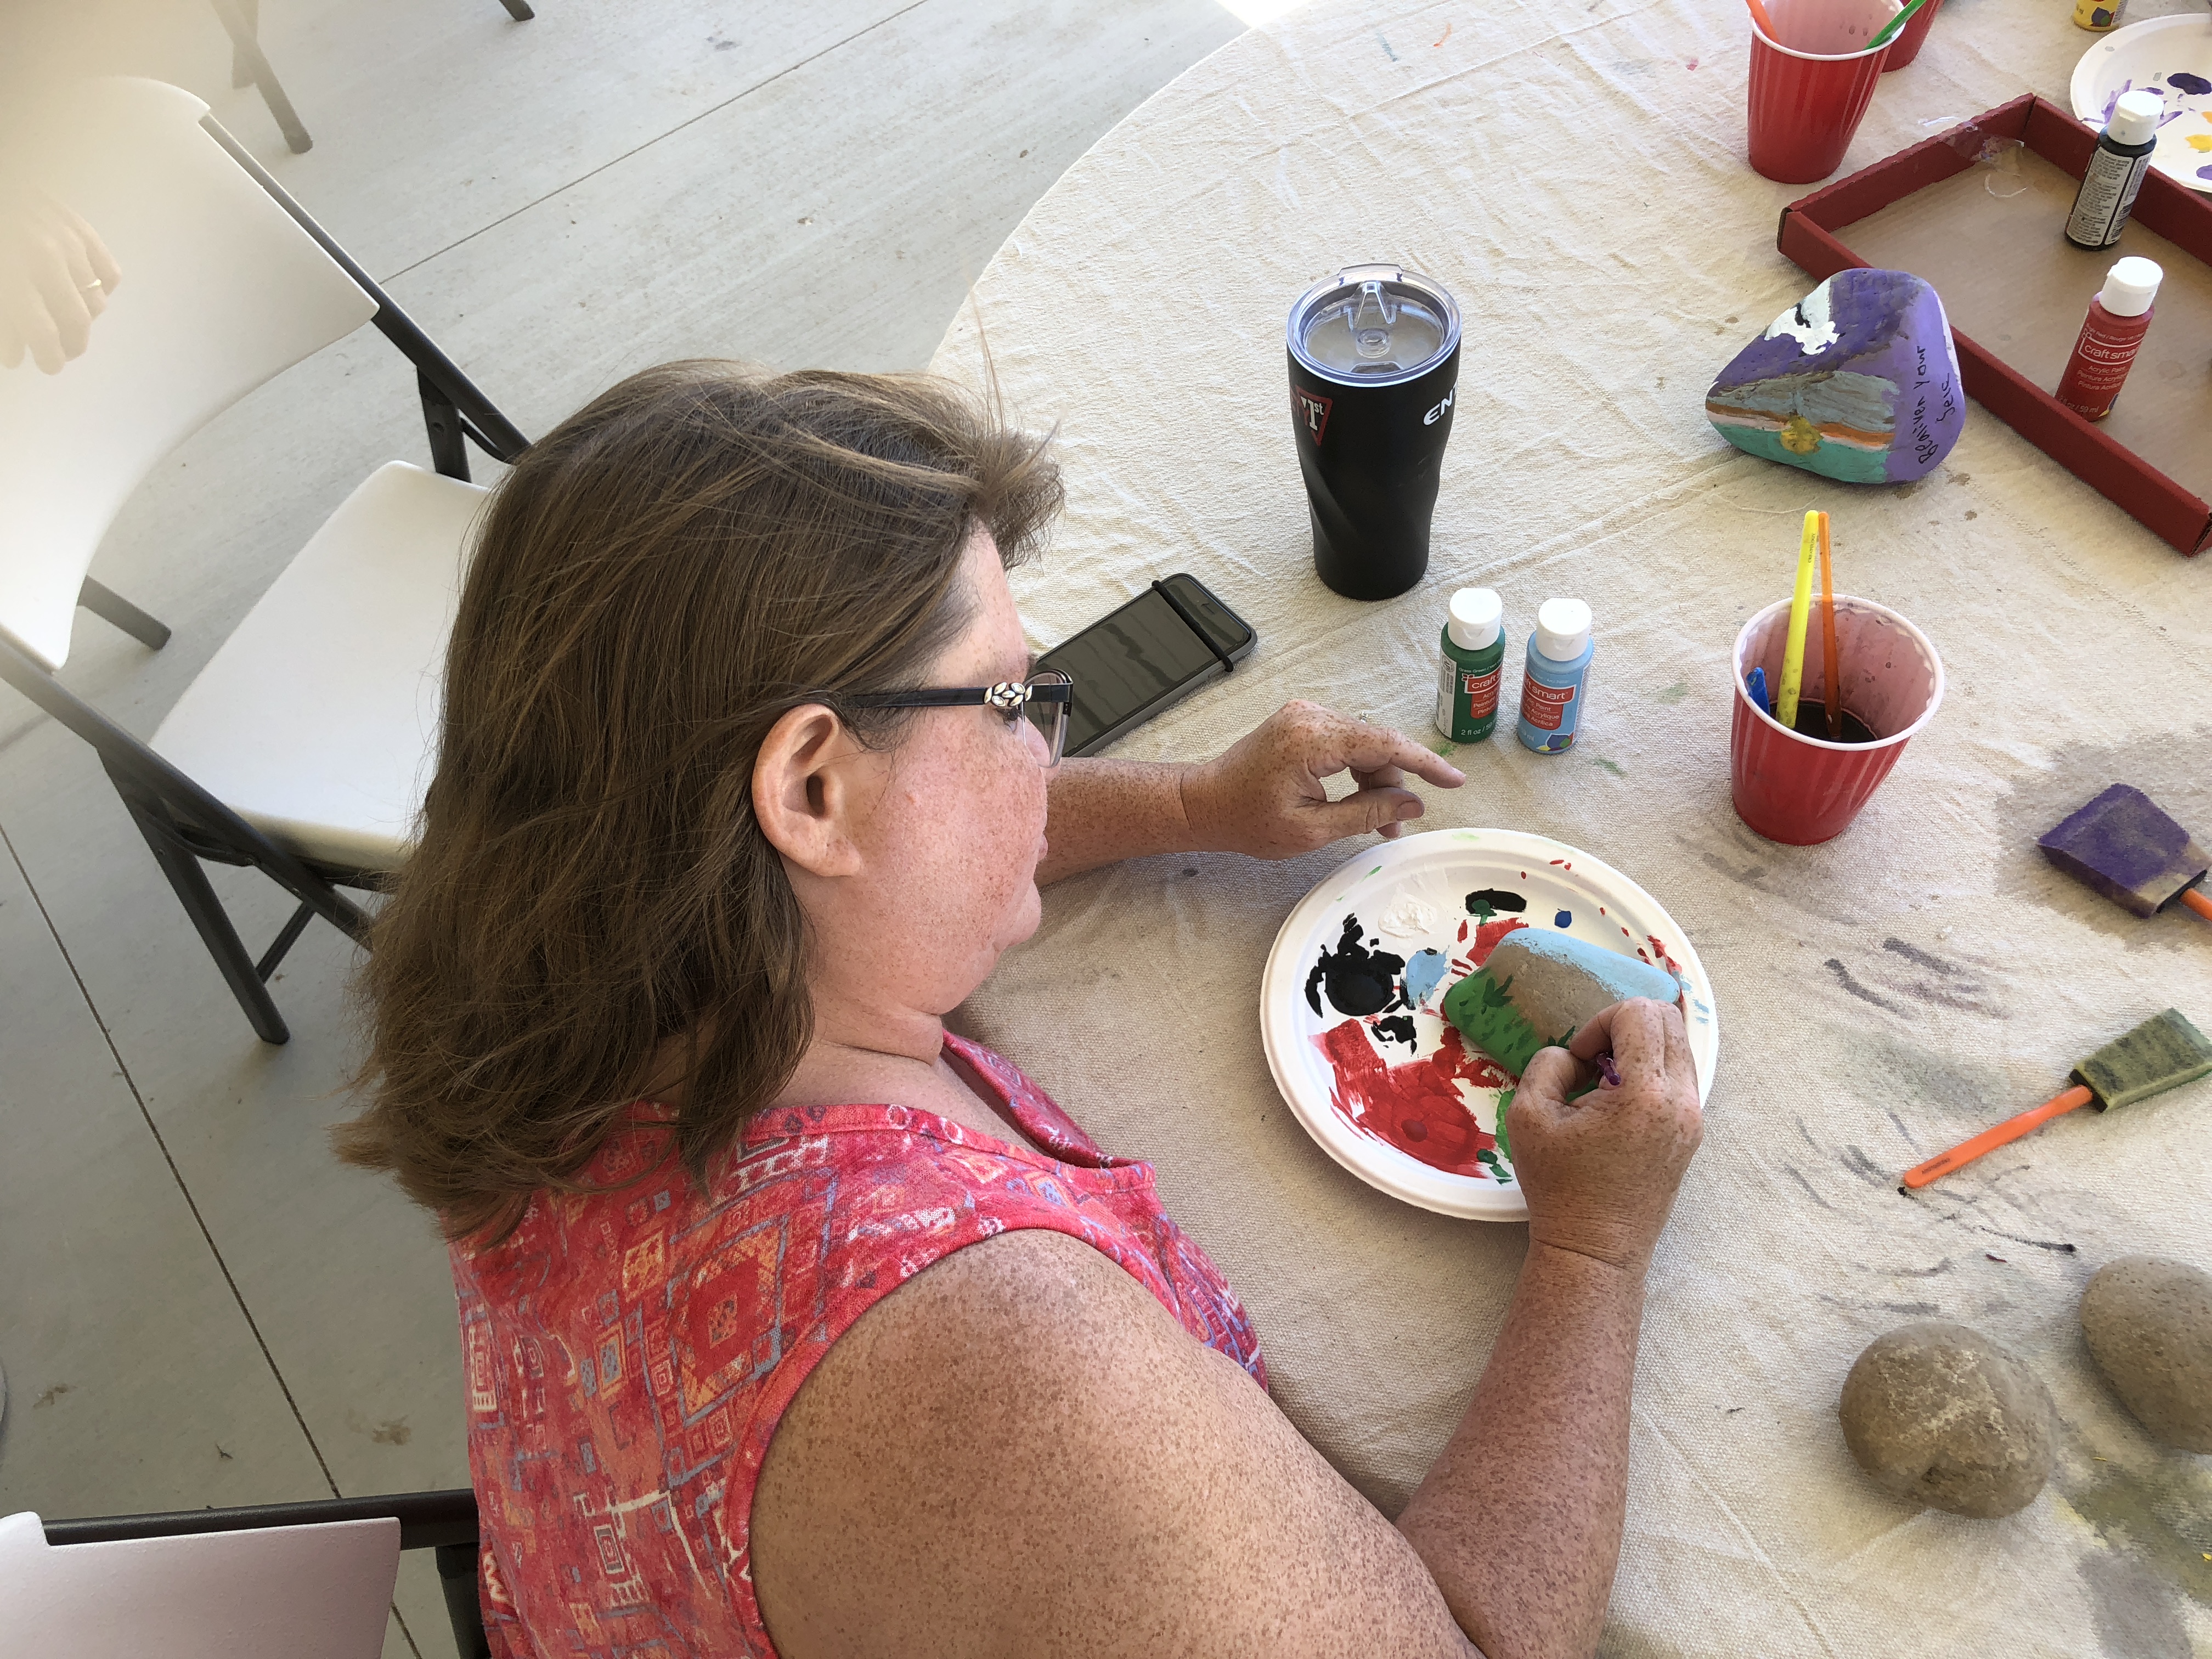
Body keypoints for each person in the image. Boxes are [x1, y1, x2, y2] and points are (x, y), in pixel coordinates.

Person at [340, 362, 1703, 1659]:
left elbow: (838, 850)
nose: (1050, 745)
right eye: (1008, 702)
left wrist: (1187, 806)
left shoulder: (551, 965)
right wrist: (1595, 1250)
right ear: (813, 790)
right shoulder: (995, 1364)